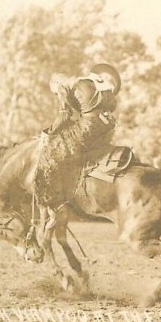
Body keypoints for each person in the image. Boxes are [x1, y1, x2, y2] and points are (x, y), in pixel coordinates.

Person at [32, 63, 121, 218]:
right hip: (108, 125)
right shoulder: (91, 82)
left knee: (51, 153)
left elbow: (64, 116)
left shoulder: (63, 88)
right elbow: (113, 104)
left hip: (89, 126)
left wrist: (49, 132)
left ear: (56, 85)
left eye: (54, 92)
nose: (56, 94)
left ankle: (54, 200)